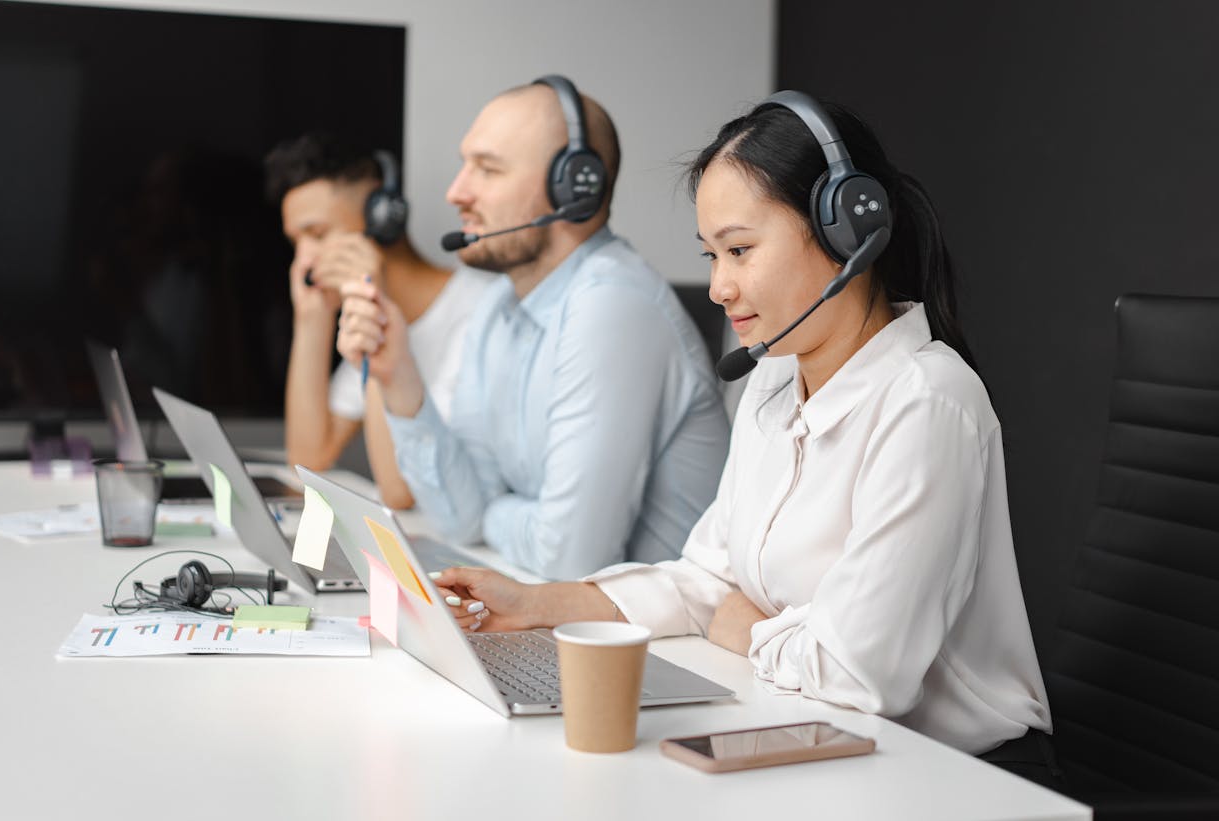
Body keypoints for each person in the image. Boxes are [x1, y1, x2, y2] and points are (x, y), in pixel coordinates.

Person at [427, 92, 1054, 760]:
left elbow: (856, 674)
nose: (721, 286)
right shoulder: (775, 379)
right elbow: (703, 582)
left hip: (953, 774)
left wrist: (739, 619)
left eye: (740, 249)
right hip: (824, 740)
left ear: (848, 230)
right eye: (711, 256)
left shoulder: (929, 403)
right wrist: (536, 603)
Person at [336, 76, 730, 579]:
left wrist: (496, 511)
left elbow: (570, 558)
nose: (457, 191)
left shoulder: (613, 305)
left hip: (657, 645)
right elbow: (459, 518)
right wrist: (399, 377)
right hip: (561, 615)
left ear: (573, 187)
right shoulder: (499, 304)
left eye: (488, 168)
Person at [265, 134, 492, 508]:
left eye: (317, 234)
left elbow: (401, 492)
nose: (304, 260)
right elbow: (308, 460)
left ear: (383, 218)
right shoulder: (356, 324)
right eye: (295, 243)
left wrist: (376, 316)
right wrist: (311, 319)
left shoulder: (479, 311)